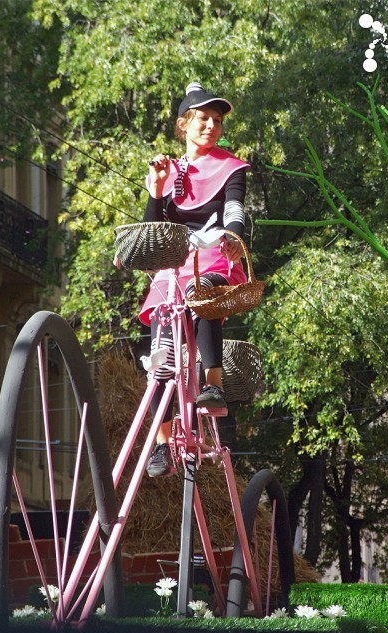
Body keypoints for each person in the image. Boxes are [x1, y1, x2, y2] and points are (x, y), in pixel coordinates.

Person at [140, 82, 250, 477]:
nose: (211, 126)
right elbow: (154, 233)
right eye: (203, 119)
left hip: (213, 259)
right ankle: (162, 444)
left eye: (217, 121)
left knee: (201, 293)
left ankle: (213, 385)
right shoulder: (167, 171)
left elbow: (235, 210)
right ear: (183, 124)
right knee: (159, 357)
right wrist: (155, 191)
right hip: (172, 267)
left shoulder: (230, 167)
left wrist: (236, 237)